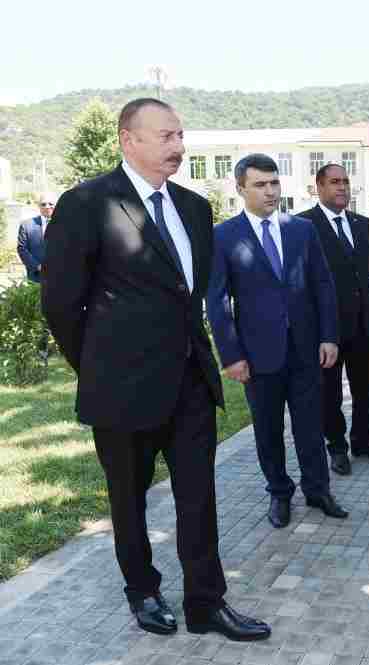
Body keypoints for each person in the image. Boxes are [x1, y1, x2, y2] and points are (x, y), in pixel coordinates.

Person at [41, 98, 269, 641]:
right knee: (129, 499)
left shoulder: (192, 207)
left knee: (200, 497)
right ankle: (142, 590)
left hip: (189, 382)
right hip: (121, 390)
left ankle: (206, 603)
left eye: (180, 135)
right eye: (165, 136)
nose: (178, 147)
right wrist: (96, 366)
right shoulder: (87, 203)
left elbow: (191, 297)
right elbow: (60, 304)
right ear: (129, 139)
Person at [207, 153, 347, 531]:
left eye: (274, 183)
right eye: (260, 185)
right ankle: (279, 493)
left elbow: (322, 285)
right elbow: (217, 301)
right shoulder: (223, 236)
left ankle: (318, 490)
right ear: (240, 189)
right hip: (257, 355)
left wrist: (329, 336)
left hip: (305, 350)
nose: (270, 192)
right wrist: (231, 356)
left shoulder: (301, 230)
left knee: (309, 426)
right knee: (267, 430)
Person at [296, 163, 369, 476]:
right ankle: (337, 448)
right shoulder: (302, 225)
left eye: (346, 182)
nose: (342, 188)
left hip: (364, 324)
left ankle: (363, 441)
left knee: (367, 387)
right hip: (327, 330)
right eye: (335, 182)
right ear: (319, 187)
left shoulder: (361, 223)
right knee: (330, 393)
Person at [17, 193, 55, 283]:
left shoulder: (65, 224)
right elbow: (22, 248)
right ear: (38, 206)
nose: (47, 207)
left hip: (60, 274)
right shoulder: (26, 225)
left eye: (51, 204)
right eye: (43, 204)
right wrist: (37, 266)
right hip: (36, 276)